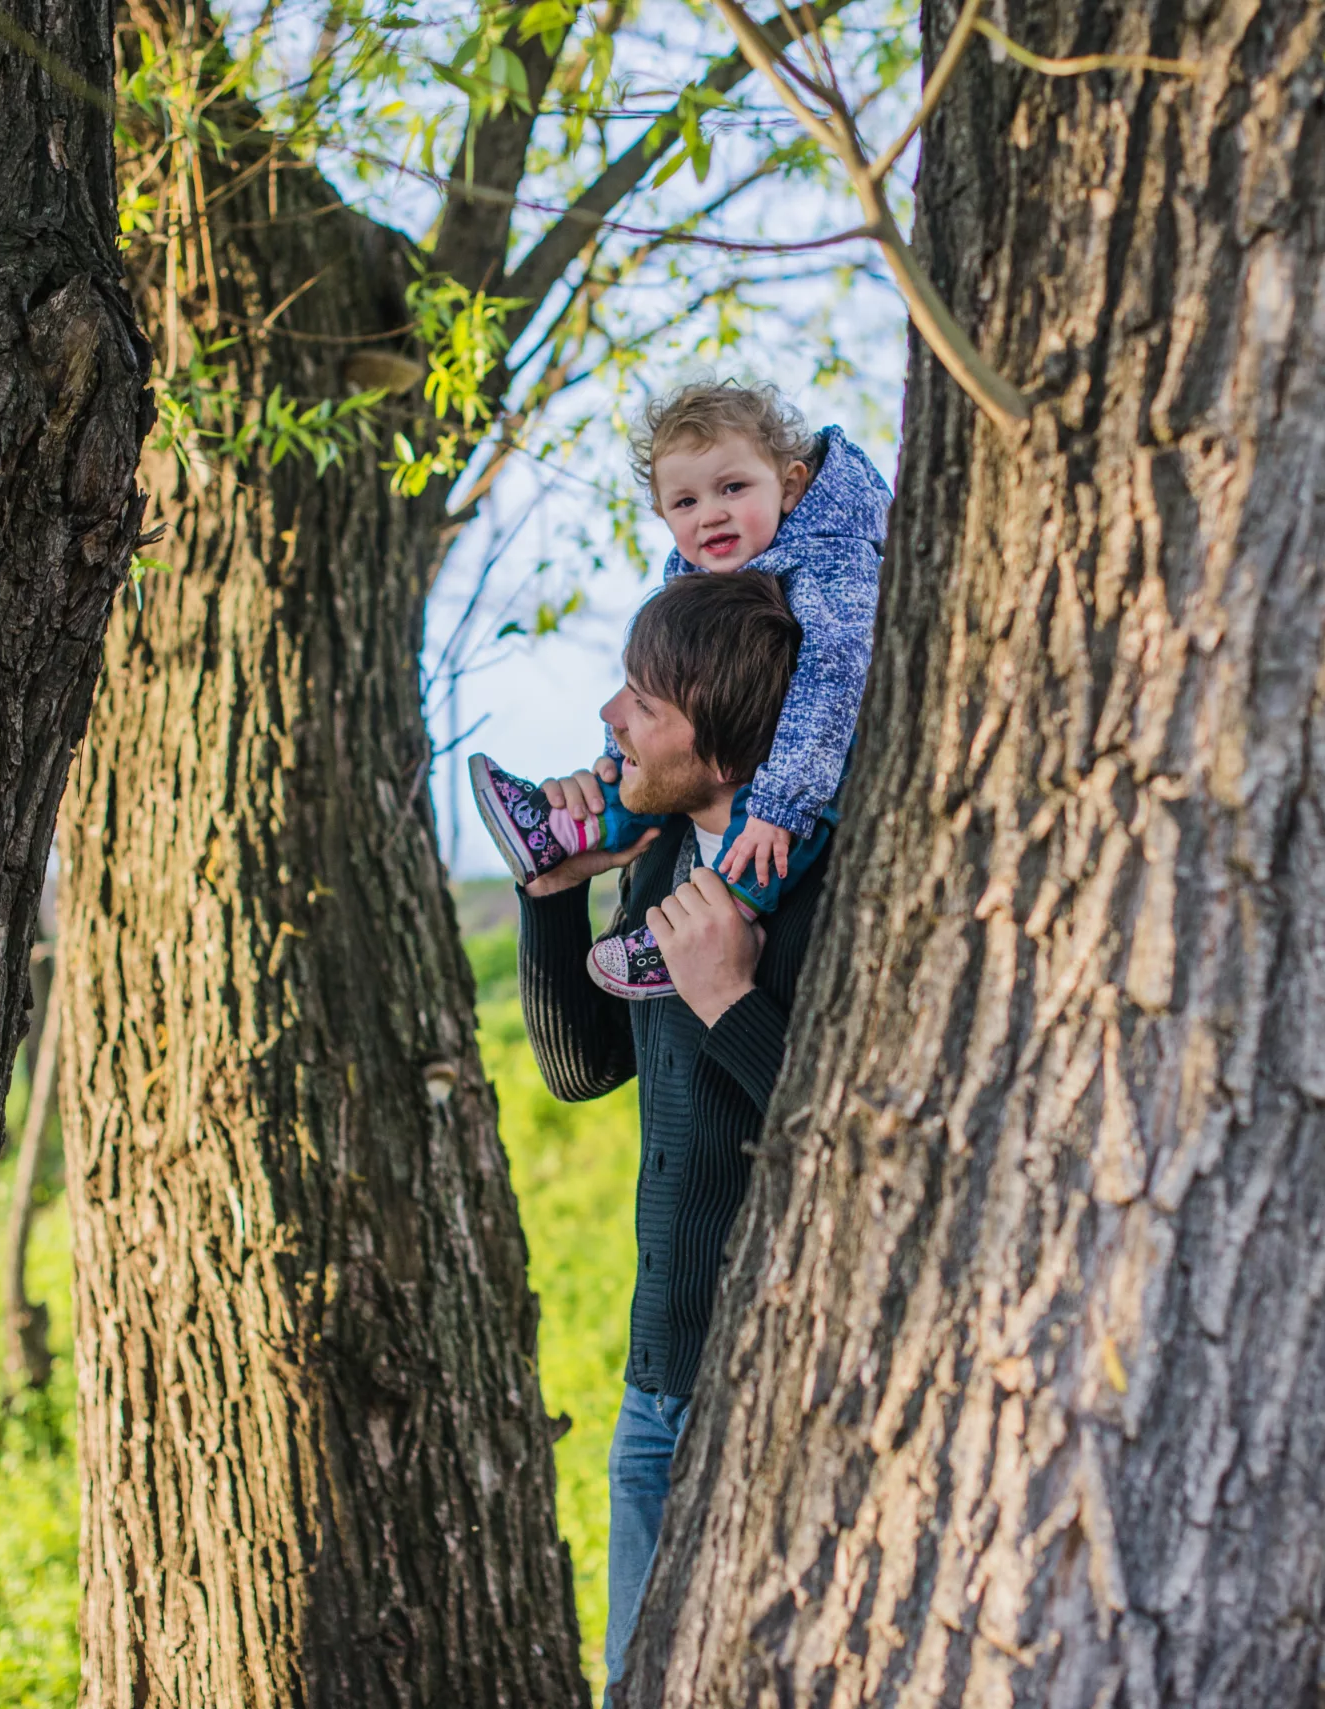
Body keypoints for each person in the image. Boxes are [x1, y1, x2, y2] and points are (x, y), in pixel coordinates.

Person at [509, 572, 829, 1690]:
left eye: (646, 701)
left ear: (728, 752)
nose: (612, 716)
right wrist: (551, 893)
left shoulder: (813, 892)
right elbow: (583, 1062)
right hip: (656, 1379)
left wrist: (730, 999)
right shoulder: (660, 860)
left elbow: (843, 1142)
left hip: (769, 1387)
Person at [467, 379, 888, 999]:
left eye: (733, 488)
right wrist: (618, 765)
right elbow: (581, 1074)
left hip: (820, 752)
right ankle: (568, 833)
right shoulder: (694, 574)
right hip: (729, 765)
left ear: (792, 485)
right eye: (684, 503)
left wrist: (780, 803)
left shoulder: (832, 560)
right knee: (637, 778)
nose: (710, 513)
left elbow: (835, 676)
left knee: (792, 804)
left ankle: (733, 903)